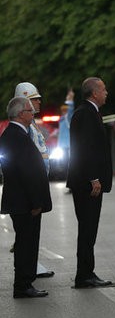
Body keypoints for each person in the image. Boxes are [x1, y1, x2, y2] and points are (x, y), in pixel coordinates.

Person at [0, 97, 52, 298]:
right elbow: (26, 173)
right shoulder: (16, 136)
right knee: (26, 245)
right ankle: (22, 285)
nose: (33, 114)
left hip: (23, 201)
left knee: (27, 243)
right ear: (21, 114)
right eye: (31, 111)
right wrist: (36, 202)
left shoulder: (16, 134)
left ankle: (25, 283)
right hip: (25, 203)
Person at [66, 77, 114, 288]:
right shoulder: (85, 114)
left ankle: (87, 272)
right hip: (87, 183)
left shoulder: (90, 112)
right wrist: (93, 177)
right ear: (94, 93)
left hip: (89, 181)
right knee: (87, 228)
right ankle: (84, 275)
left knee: (89, 229)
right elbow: (84, 149)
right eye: (103, 89)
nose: (106, 93)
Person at [13, 82, 55, 278]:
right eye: (34, 99)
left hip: (38, 184)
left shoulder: (33, 126)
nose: (38, 102)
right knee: (28, 232)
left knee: (34, 231)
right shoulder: (25, 128)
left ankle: (33, 263)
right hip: (30, 188)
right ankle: (28, 269)